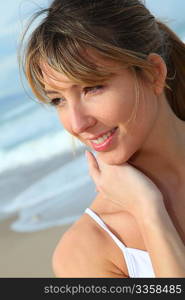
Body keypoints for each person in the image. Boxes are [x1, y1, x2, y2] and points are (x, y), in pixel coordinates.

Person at [21, 0, 185, 277]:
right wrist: (149, 213)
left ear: (153, 73)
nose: (77, 123)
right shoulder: (86, 252)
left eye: (92, 87)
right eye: (58, 100)